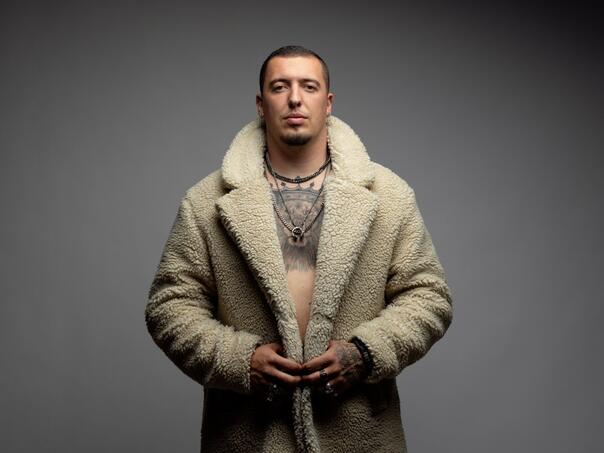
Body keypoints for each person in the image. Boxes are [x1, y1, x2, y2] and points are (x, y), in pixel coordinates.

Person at [145, 45, 453, 453]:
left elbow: (429, 297)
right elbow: (169, 306)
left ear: (328, 103)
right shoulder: (205, 203)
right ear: (261, 104)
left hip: (361, 434)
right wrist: (239, 359)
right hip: (249, 435)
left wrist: (365, 353)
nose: (294, 98)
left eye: (308, 86)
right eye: (280, 87)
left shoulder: (390, 197)